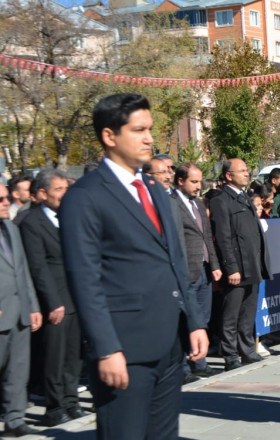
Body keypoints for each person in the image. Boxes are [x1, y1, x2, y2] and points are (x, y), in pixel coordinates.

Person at [59, 93, 208, 439]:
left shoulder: (156, 191)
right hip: (124, 351)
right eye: (138, 130)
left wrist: (195, 322)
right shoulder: (85, 197)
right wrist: (106, 348)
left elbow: (175, 261)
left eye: (150, 129)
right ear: (110, 136)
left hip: (170, 345)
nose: (149, 138)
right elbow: (85, 280)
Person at [18, 169, 88, 427]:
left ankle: (71, 402)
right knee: (54, 357)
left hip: (75, 297)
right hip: (55, 301)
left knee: (74, 355)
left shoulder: (67, 217)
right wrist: (52, 301)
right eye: (59, 189)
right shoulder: (32, 222)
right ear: (42, 193)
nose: (64, 194)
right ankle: (55, 406)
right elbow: (38, 266)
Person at [209, 158, 272, 371]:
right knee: (231, 313)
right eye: (242, 170)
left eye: (247, 169)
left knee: (248, 311)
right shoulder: (221, 200)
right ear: (228, 175)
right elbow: (224, 237)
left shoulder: (244, 197)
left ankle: (247, 350)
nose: (247, 173)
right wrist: (231, 267)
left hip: (252, 264)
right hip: (237, 267)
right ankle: (230, 354)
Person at [170, 163, 223, 380]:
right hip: (186, 270)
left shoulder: (199, 204)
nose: (198, 186)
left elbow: (206, 235)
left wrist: (215, 264)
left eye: (200, 181)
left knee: (203, 317)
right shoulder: (171, 203)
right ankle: (182, 366)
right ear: (180, 181)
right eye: (193, 181)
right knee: (185, 319)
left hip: (204, 268)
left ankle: (199, 362)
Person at [0, 183, 42, 437]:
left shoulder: (10, 229)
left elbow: (23, 270)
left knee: (17, 369)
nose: (7, 202)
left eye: (6, 198)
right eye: (1, 199)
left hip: (19, 312)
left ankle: (14, 419)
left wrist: (33, 306)